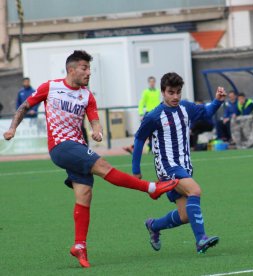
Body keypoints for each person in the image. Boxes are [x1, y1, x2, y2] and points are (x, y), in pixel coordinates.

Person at [2, 50, 178, 268]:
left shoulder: (87, 95)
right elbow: (25, 106)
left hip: (78, 146)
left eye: (89, 68)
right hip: (61, 146)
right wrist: (12, 128)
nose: (88, 72)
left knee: (84, 195)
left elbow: (94, 120)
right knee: (103, 166)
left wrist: (98, 131)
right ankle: (151, 188)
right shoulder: (51, 87)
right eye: (84, 68)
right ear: (71, 69)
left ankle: (79, 246)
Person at [132, 72, 226, 254]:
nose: (175, 97)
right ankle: (201, 240)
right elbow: (138, 140)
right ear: (163, 92)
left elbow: (205, 112)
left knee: (184, 216)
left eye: (178, 92)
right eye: (170, 93)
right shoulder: (154, 116)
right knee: (195, 191)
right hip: (167, 168)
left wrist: (217, 101)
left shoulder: (185, 108)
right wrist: (136, 170)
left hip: (184, 166)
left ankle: (154, 225)